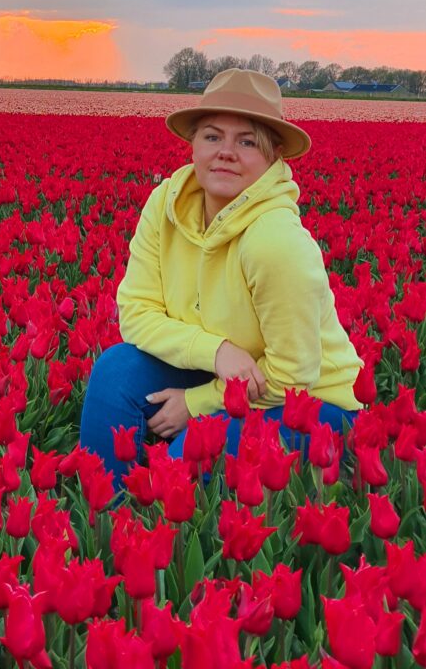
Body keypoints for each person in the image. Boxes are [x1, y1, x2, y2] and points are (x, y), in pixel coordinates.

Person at [80, 68, 363, 484]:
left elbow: (292, 377)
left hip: (309, 402)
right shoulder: (166, 205)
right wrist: (217, 352)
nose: (226, 151)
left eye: (246, 141)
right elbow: (136, 312)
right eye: (212, 136)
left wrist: (196, 404)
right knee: (115, 370)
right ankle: (104, 513)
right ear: (193, 145)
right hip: (222, 372)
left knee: (184, 459)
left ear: (273, 156)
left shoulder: (275, 242)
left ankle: (162, 533)